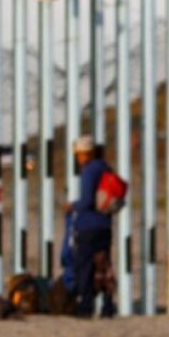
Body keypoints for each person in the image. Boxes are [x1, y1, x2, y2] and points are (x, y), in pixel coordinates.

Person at [67, 136, 115, 318]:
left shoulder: (89, 171)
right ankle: (108, 306)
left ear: (83, 154)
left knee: (85, 266)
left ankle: (86, 306)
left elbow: (87, 200)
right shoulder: (105, 168)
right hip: (105, 225)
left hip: (88, 226)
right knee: (104, 266)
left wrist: (73, 206)